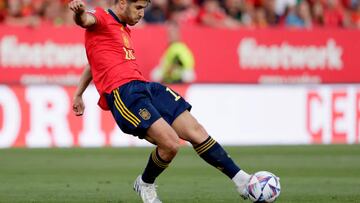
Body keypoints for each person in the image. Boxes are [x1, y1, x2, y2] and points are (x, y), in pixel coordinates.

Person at [69, 0, 251, 202]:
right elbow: (85, 20)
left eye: (143, 9)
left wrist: (78, 94)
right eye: (138, 8)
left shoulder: (123, 29)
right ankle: (145, 183)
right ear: (122, 3)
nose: (141, 14)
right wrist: (79, 13)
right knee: (171, 144)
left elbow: (92, 63)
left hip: (146, 87)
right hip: (124, 94)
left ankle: (243, 180)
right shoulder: (102, 17)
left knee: (195, 130)